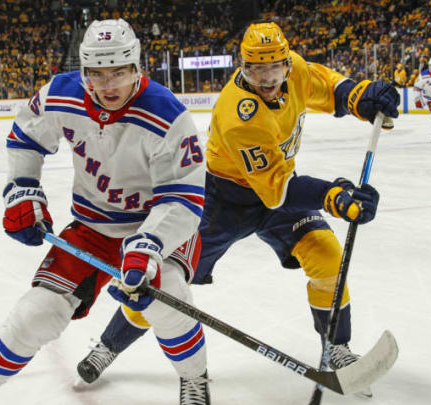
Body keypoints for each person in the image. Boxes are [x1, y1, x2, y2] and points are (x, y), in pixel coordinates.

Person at [74, 21, 398, 398]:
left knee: (327, 256)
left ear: (286, 64)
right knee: (164, 282)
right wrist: (335, 196)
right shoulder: (239, 114)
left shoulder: (295, 69)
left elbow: (328, 87)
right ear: (242, 66)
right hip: (223, 204)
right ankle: (108, 346)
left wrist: (361, 96)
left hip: (277, 198)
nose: (266, 78)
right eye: (256, 69)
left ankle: (336, 348)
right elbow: (277, 191)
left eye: (274, 68)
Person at [0, 19, 210, 405]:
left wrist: (148, 246)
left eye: (118, 73)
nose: (108, 86)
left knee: (168, 297)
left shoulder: (168, 115)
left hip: (156, 231)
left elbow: (183, 198)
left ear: (137, 67)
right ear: (84, 70)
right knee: (35, 314)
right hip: (91, 228)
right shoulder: (62, 93)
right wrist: (23, 189)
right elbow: (26, 136)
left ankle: (195, 380)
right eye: (97, 74)